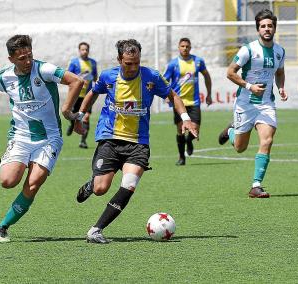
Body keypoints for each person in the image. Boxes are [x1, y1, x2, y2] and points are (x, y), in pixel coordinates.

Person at [0, 35, 84, 243]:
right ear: (11, 59)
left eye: (30, 55)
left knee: (33, 184)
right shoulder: (6, 77)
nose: (28, 61)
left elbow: (76, 81)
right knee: (8, 181)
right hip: (21, 137)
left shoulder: (44, 70)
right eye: (22, 58)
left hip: (49, 139)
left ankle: (3, 227)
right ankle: (8, 160)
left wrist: (67, 110)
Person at [73, 39, 197, 244]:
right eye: (128, 63)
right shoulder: (108, 76)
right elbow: (92, 94)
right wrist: (81, 116)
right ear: (119, 59)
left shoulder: (151, 77)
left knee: (129, 185)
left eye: (136, 63)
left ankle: (96, 230)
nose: (132, 68)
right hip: (110, 138)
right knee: (100, 188)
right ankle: (92, 185)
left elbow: (173, 95)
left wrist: (186, 119)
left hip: (138, 142)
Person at [218, 9, 288, 198]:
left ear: (274, 28)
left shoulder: (280, 51)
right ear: (258, 29)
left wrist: (281, 87)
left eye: (270, 26)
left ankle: (256, 185)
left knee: (267, 139)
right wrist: (249, 86)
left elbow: (280, 73)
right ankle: (232, 131)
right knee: (240, 148)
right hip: (245, 104)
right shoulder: (248, 49)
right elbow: (230, 72)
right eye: (263, 26)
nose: (267, 29)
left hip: (266, 104)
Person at [163, 38, 212, 165]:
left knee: (195, 130)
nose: (185, 48)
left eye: (187, 46)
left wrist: (209, 94)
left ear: (190, 48)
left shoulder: (198, 61)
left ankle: (189, 141)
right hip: (178, 102)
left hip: (194, 102)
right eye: (182, 46)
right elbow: (164, 81)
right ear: (179, 47)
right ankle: (181, 157)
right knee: (180, 129)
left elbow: (206, 75)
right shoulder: (173, 64)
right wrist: (166, 95)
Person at [66, 42, 98, 148]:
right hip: (76, 94)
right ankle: (72, 124)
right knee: (72, 114)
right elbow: (68, 77)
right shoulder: (74, 62)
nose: (84, 51)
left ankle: (83, 141)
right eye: (82, 49)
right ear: (79, 50)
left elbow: (95, 77)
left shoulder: (93, 63)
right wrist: (80, 77)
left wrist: (91, 78)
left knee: (86, 117)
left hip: (87, 95)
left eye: (86, 49)